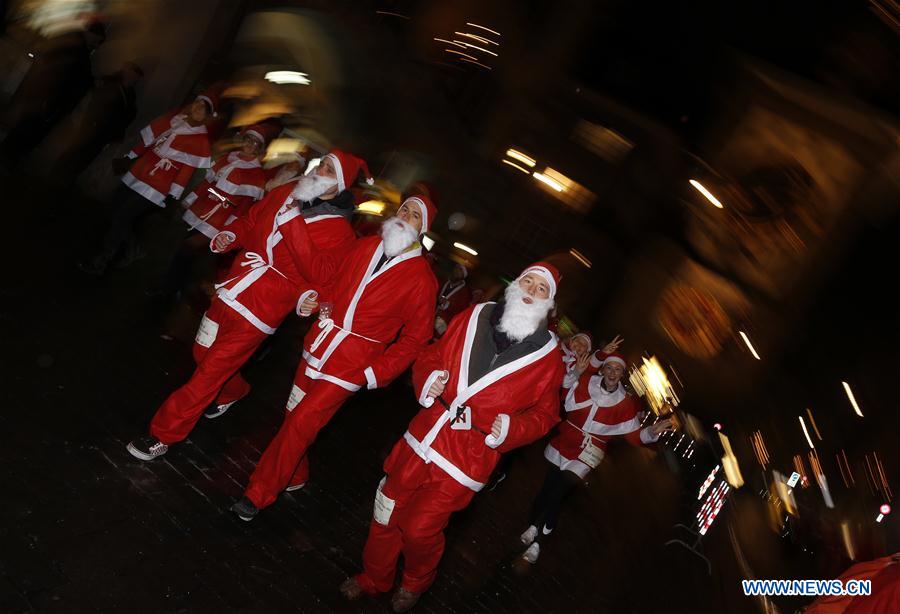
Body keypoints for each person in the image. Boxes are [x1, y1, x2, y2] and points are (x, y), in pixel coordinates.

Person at [340, 263, 565, 613]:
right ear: (515, 284)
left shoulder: (549, 357)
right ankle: (374, 577)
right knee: (386, 511)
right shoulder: (475, 315)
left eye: (541, 289)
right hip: (424, 432)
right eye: (528, 281)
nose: (531, 291)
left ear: (549, 304)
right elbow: (432, 352)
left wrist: (512, 429)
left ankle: (415, 580)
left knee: (418, 529)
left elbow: (546, 415)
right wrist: (428, 378)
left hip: (467, 456)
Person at [125, 149, 371, 461]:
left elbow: (319, 275)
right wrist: (231, 234)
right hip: (234, 286)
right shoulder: (286, 191)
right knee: (203, 354)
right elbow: (251, 220)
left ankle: (163, 434)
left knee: (208, 374)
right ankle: (235, 390)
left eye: (328, 170)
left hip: (263, 308)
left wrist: (295, 230)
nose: (319, 171)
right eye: (320, 164)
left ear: (340, 185)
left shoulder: (341, 233)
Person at [230, 195, 440, 520]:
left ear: (422, 229)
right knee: (293, 414)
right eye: (403, 210)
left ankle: (258, 493)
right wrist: (321, 307)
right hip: (321, 343)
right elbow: (332, 284)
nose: (404, 217)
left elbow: (415, 339)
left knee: (302, 422)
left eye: (414, 216)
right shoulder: (366, 245)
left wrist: (375, 372)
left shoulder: (423, 280)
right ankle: (295, 474)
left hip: (354, 363)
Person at [517, 351, 674, 565]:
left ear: (622, 374)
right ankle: (533, 526)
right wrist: (578, 371)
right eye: (609, 367)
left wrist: (652, 431)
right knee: (547, 488)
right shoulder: (585, 382)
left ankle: (538, 543)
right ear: (603, 369)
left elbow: (634, 435)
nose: (612, 372)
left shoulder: (625, 403)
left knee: (559, 491)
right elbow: (562, 391)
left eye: (617, 369)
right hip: (566, 440)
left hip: (589, 451)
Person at [78, 90, 217, 274]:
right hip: (139, 171)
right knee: (114, 211)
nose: (198, 108)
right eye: (198, 103)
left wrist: (172, 196)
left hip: (157, 185)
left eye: (204, 108)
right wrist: (128, 157)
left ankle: (102, 259)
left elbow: (186, 171)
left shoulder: (200, 140)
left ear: (207, 116)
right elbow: (148, 142)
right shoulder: (174, 119)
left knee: (122, 217)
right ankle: (133, 247)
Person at [153, 124, 272, 298]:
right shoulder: (227, 159)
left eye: (255, 143)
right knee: (188, 253)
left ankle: (168, 287)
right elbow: (207, 184)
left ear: (259, 148)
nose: (250, 144)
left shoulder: (256, 175)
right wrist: (191, 198)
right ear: (243, 140)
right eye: (249, 139)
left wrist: (230, 229)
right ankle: (178, 287)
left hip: (220, 219)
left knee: (188, 248)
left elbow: (245, 206)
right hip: (202, 209)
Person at [49, 61, 142, 185]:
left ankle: (64, 179)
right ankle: (56, 177)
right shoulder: (111, 86)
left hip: (102, 132)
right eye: (134, 76)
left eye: (136, 78)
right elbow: (97, 107)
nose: (135, 80)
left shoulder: (128, 95)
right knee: (74, 153)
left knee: (83, 157)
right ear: (127, 73)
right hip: (93, 127)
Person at [433, 262, 471, 337]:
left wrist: (448, 304)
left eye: (460, 269)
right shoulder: (445, 283)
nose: (456, 270)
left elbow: (461, 310)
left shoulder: (465, 293)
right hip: (432, 316)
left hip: (444, 323)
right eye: (456, 268)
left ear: (463, 274)